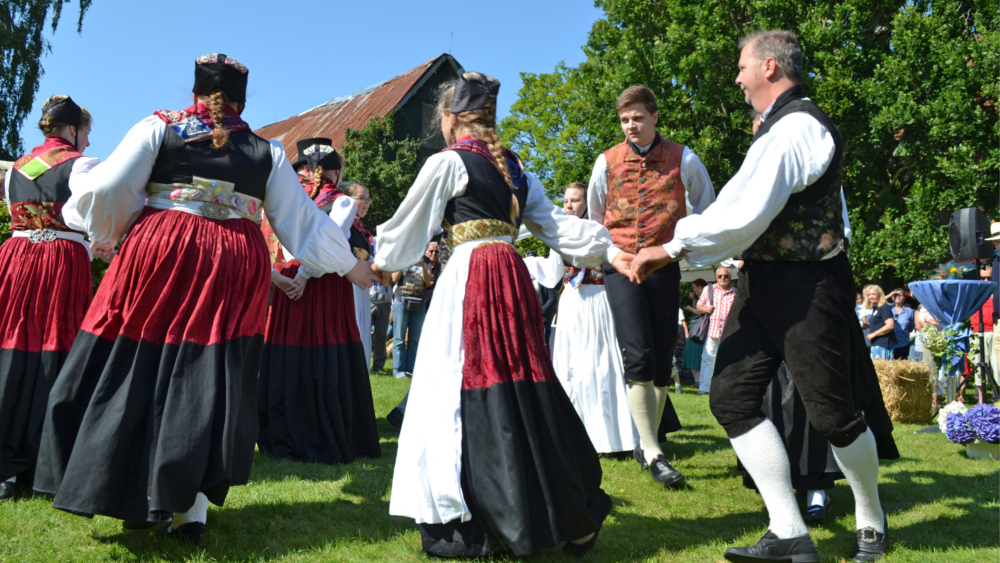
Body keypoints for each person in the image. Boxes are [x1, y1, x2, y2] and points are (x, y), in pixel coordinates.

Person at [33, 55, 381, 543]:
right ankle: (188, 511)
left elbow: (110, 189)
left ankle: (131, 489)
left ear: (195, 93)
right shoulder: (267, 150)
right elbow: (301, 221)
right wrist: (352, 266)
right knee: (208, 374)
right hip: (232, 262)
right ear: (242, 99)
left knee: (141, 363)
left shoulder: (159, 128)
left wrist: (102, 228)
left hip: (164, 251)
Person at [631, 31, 889, 562]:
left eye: (743, 67)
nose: (737, 78)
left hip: (811, 288)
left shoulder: (797, 129)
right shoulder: (773, 132)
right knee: (729, 397)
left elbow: (745, 213)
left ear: (770, 67)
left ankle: (871, 520)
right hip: (763, 283)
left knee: (833, 414)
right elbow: (736, 210)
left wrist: (671, 248)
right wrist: (691, 257)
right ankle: (788, 531)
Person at [373, 72, 613, 558]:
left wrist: (379, 261)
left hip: (472, 280)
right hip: (510, 279)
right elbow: (559, 229)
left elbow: (406, 229)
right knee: (522, 387)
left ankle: (476, 519)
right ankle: (563, 510)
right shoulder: (517, 168)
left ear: (451, 117)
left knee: (454, 389)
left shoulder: (450, 162)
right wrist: (611, 245)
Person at [587, 84, 716, 488]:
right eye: (625, 120)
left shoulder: (684, 157)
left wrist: (685, 251)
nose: (631, 126)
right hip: (622, 267)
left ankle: (648, 443)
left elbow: (707, 207)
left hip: (663, 265)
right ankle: (653, 450)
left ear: (654, 117)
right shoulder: (605, 161)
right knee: (638, 357)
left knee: (662, 360)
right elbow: (594, 216)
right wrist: (607, 253)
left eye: (638, 118)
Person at [257, 140, 381, 467]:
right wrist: (306, 275)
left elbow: (288, 241)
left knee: (289, 348)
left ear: (310, 171)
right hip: (322, 283)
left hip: (293, 280)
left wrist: (295, 276)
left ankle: (284, 430)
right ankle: (324, 430)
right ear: (336, 172)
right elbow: (333, 240)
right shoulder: (341, 202)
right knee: (326, 348)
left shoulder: (296, 199)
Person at [0, 96, 94, 501]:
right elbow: (92, 216)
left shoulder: (14, 168)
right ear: (72, 129)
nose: (88, 142)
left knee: (12, 346)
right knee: (57, 346)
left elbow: (13, 212)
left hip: (16, 258)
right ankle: (46, 462)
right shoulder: (84, 164)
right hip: (60, 261)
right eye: (86, 132)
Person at [522, 181, 640, 454]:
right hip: (571, 303)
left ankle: (611, 438)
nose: (568, 205)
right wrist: (524, 263)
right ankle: (574, 435)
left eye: (574, 200)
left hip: (598, 302)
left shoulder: (600, 231)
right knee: (571, 366)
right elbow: (552, 275)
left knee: (600, 366)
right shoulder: (559, 234)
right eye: (565, 201)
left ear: (587, 203)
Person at [343, 181, 375, 369]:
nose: (366, 202)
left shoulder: (362, 229)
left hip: (361, 287)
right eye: (361, 198)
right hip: (348, 285)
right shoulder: (345, 225)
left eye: (368, 199)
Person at [696, 267, 737, 395]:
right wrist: (706, 308)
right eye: (720, 276)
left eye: (725, 276)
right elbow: (698, 306)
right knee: (708, 359)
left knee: (728, 360)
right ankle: (704, 388)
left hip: (729, 333)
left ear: (730, 277)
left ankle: (725, 388)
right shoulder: (709, 290)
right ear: (716, 277)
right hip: (711, 331)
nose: (723, 278)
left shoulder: (735, 292)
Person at [391, 254, 430, 378]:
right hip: (401, 301)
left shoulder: (426, 259)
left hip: (419, 303)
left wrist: (423, 265)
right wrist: (403, 262)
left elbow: (428, 281)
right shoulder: (401, 256)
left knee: (414, 339)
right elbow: (394, 278)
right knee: (399, 338)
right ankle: (398, 370)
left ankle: (411, 369)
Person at [369, 236, 392, 374]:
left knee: (381, 336)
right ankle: (363, 363)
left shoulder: (389, 255)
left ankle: (378, 366)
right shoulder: (367, 254)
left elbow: (393, 276)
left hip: (385, 300)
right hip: (369, 299)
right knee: (364, 334)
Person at [682, 279, 708, 388]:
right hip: (696, 330)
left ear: (701, 287)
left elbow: (699, 312)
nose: (694, 290)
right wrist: (694, 300)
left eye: (694, 287)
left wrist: (690, 308)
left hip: (699, 331)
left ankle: (699, 381)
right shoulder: (702, 298)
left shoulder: (707, 297)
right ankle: (697, 380)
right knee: (693, 354)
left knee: (697, 355)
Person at [862, 285, 896, 360]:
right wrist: (867, 325)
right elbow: (880, 324)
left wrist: (873, 334)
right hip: (876, 343)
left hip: (884, 344)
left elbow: (890, 325)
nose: (871, 297)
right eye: (869, 295)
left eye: (874, 294)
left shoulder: (884, 307)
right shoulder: (876, 307)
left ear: (880, 295)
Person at [888, 288, 915, 360]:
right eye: (895, 295)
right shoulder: (887, 308)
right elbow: (876, 305)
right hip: (889, 344)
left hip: (903, 344)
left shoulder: (909, 311)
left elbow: (911, 327)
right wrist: (888, 295)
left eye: (900, 295)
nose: (897, 297)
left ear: (904, 297)